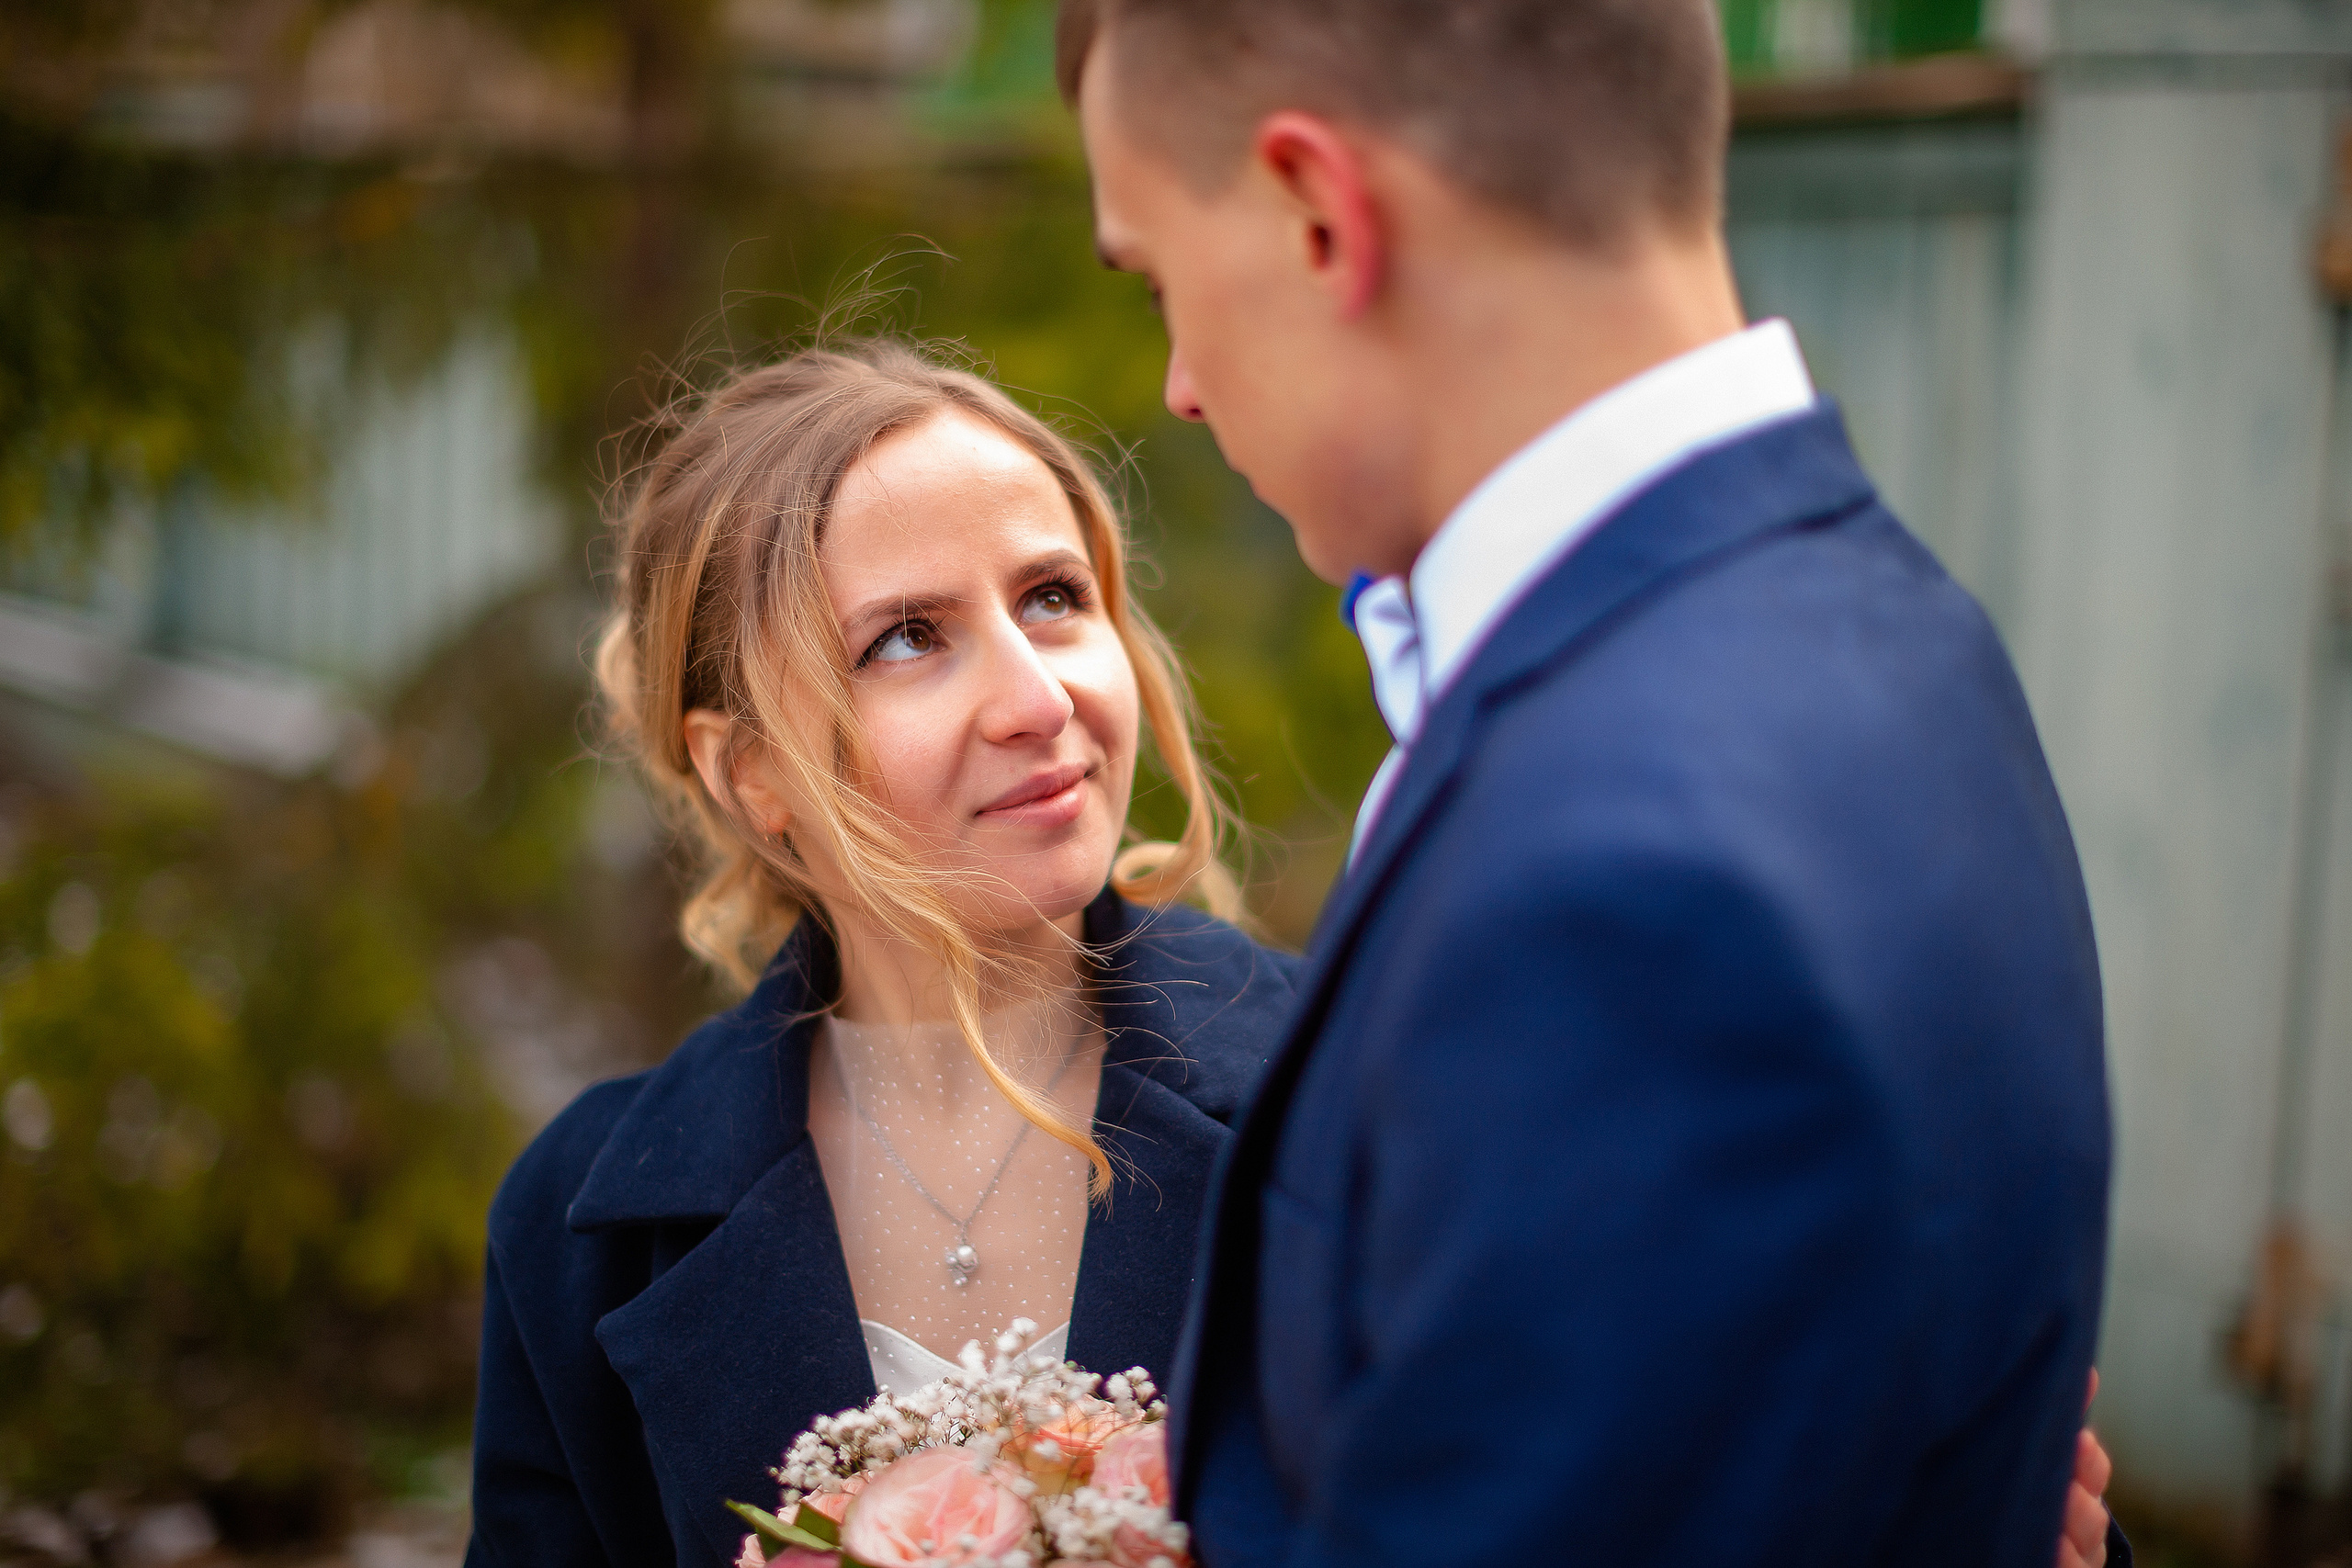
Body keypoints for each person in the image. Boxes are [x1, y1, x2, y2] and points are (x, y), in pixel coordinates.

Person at [1055, 2, 2124, 1565]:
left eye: (1158, 278)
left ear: (1316, 213)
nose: (1182, 387)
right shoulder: (1904, 629)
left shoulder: (1617, 887)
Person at [461, 340, 1302, 1568]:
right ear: (748, 770)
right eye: (908, 637)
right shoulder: (579, 1227)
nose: (1036, 699)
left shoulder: (1347, 1090)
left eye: (1054, 597)